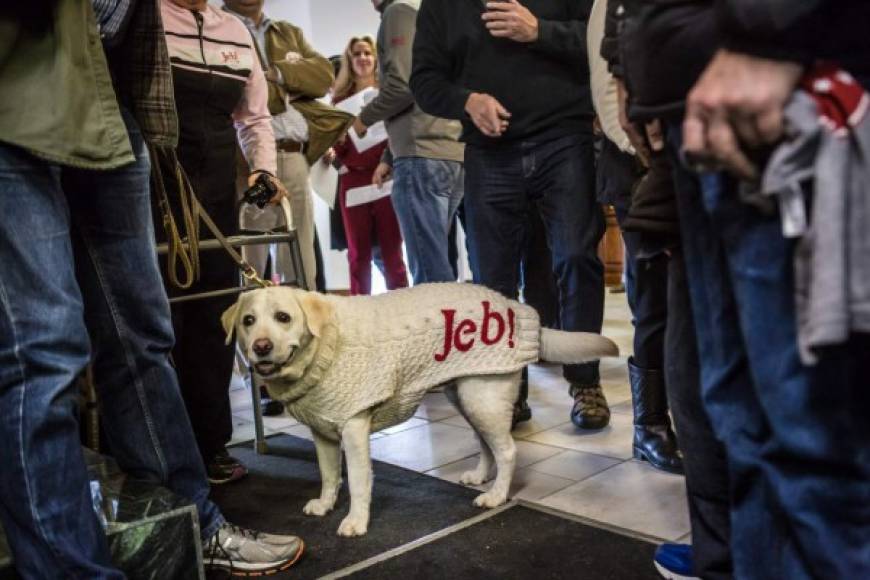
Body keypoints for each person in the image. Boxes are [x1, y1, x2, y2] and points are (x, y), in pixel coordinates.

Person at [0, 1, 302, 576]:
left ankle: (195, 524)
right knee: (44, 352)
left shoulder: (233, 30)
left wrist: (260, 183)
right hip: (16, 99)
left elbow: (257, 119)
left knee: (145, 335)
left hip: (122, 122)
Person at [618, 0, 870, 577]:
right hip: (705, 103)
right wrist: (641, 81)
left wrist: (771, 30)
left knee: (817, 448)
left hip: (785, 86)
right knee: (743, 427)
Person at [410, 0, 608, 429]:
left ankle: (585, 380)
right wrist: (466, 101)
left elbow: (600, 43)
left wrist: (540, 31)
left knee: (576, 255)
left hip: (565, 138)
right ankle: (507, 387)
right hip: (489, 152)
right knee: (492, 278)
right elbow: (424, 80)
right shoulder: (440, 7)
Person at [158, 0, 287, 485]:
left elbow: (254, 118)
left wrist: (264, 170)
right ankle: (161, 456)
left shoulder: (233, 29)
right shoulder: (146, 19)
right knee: (160, 325)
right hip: (153, 184)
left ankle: (210, 445)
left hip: (215, 191)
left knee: (213, 318)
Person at [356, 0, 465, 285]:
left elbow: (403, 86)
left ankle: (438, 330)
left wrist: (362, 119)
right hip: (451, 150)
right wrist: (389, 157)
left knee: (430, 274)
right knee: (439, 261)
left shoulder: (398, 11)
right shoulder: (439, 11)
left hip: (422, 155)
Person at [326, 35, 409, 295]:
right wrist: (333, 147)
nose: (362, 58)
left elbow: (400, 133)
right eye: (356, 54)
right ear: (349, 61)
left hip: (386, 176)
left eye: (367, 53)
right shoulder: (339, 102)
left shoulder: (389, 95)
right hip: (352, 180)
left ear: (376, 59)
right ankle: (359, 309)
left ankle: (404, 307)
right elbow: (338, 147)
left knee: (392, 252)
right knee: (357, 254)